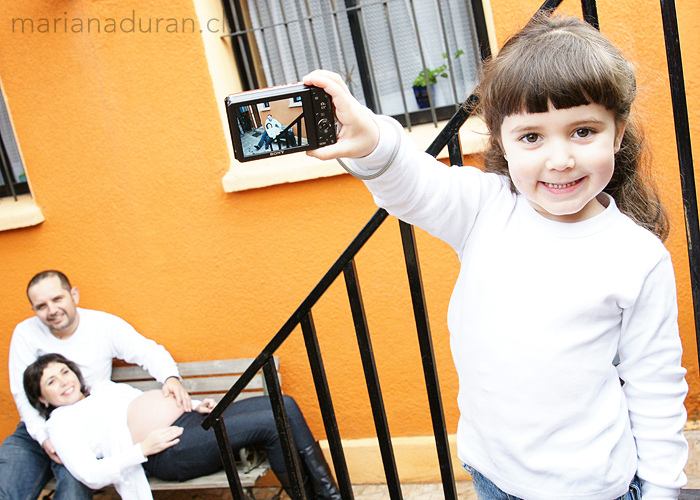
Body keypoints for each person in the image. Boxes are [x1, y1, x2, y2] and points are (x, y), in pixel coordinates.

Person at [302, 14, 688, 500]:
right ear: (502, 142)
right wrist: (372, 142)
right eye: (532, 136)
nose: (560, 158)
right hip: (492, 474)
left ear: (617, 132)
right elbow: (415, 182)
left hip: (590, 488)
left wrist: (662, 488)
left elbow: (655, 385)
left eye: (583, 131)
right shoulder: (486, 208)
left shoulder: (637, 256)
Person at [23, 353, 340, 500]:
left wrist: (196, 405)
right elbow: (89, 474)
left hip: (193, 421)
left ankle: (329, 495)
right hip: (169, 451)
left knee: (282, 403)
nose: (63, 381)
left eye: (64, 372)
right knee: (271, 422)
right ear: (41, 397)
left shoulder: (105, 390)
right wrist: (141, 450)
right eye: (51, 381)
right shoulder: (60, 422)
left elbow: (150, 403)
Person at [0, 270, 190, 500]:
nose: (52, 310)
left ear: (74, 295)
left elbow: (147, 351)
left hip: (83, 431)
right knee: (7, 486)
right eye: (41, 306)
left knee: (73, 491)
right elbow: (22, 393)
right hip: (36, 428)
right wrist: (43, 437)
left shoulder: (102, 325)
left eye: (57, 299)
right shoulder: (25, 333)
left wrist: (170, 377)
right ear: (34, 310)